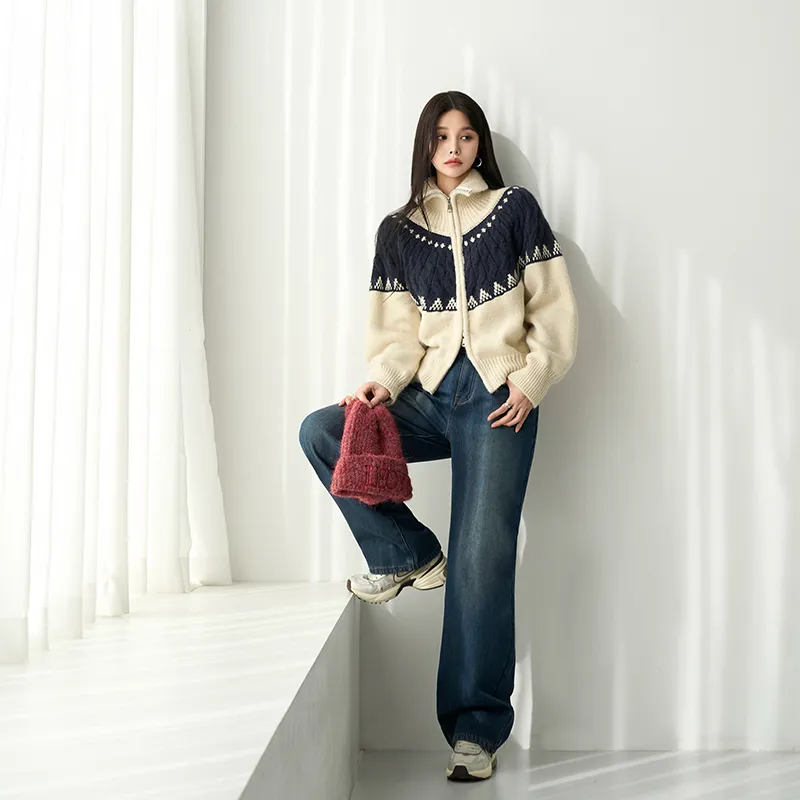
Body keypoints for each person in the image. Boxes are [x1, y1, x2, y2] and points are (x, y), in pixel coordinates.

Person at [298, 90, 578, 781]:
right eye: (442, 136)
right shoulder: (398, 231)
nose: (454, 148)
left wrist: (531, 379)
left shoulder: (514, 211)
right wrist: (381, 384)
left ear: (481, 145)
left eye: (467, 136)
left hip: (498, 398)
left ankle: (474, 732)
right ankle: (410, 553)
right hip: (427, 394)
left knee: (482, 559)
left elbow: (553, 309)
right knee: (325, 431)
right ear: (426, 144)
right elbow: (396, 334)